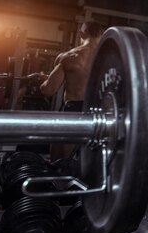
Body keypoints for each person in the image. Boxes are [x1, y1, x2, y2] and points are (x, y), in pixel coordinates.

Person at [40, 20, 104, 159]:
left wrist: (42, 81)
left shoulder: (70, 57)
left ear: (82, 33)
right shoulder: (108, 59)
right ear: (101, 34)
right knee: (91, 164)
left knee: (60, 161)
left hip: (74, 110)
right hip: (100, 115)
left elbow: (48, 90)